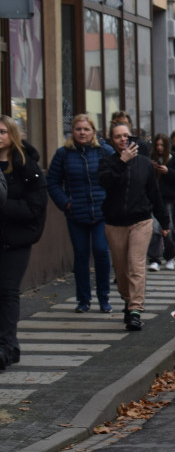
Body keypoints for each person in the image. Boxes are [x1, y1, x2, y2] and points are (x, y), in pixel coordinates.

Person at [100, 123, 171, 331]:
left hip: (141, 221)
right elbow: (106, 183)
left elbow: (154, 193)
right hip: (115, 223)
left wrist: (164, 220)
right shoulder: (107, 163)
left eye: (126, 136)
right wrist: (121, 163)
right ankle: (127, 300)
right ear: (111, 140)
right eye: (118, 137)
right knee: (121, 270)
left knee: (136, 266)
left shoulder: (144, 164)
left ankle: (135, 311)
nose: (123, 140)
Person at [47, 114, 115, 313]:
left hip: (102, 212)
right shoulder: (63, 154)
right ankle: (83, 300)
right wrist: (66, 203)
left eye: (86, 129)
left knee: (102, 252)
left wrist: (111, 201)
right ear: (72, 132)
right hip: (76, 213)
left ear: (93, 131)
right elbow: (52, 182)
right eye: (78, 129)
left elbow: (118, 176)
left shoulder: (104, 151)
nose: (82, 133)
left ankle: (104, 297)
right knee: (81, 255)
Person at [0, 117, 47, 371]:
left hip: (16, 240)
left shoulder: (26, 166)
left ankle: (6, 347)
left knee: (8, 291)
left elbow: (35, 206)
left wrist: (3, 205)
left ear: (12, 135)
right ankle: (10, 346)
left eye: (2, 132)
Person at [147, 134, 175, 271]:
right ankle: (155, 258)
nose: (159, 148)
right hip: (153, 198)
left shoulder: (173, 159)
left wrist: (168, 171)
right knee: (155, 229)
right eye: (157, 145)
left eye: (162, 145)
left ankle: (169, 256)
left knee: (167, 229)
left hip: (168, 199)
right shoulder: (150, 158)